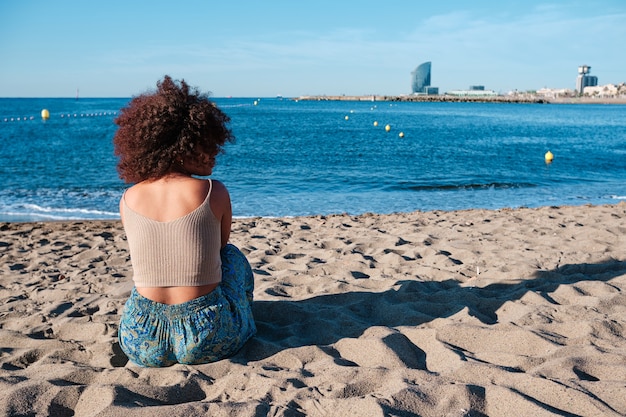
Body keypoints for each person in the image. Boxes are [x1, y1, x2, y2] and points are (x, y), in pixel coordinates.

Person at [113, 75, 256, 367]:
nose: (215, 151)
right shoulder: (213, 191)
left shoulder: (128, 198)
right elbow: (220, 246)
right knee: (231, 256)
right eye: (207, 143)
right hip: (207, 336)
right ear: (182, 145)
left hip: (140, 337)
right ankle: (243, 315)